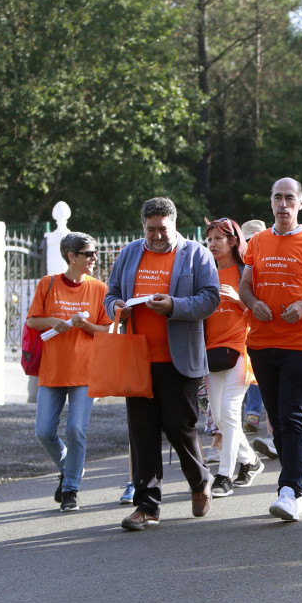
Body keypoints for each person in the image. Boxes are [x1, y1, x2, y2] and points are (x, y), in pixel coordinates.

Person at [105, 198, 221, 531]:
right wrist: (116, 307)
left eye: (162, 229)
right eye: (151, 229)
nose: (156, 235)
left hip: (179, 358)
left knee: (178, 426)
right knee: (141, 433)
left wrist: (173, 305)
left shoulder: (196, 254)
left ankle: (199, 482)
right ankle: (147, 506)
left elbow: (210, 298)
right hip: (137, 358)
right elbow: (111, 292)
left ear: (174, 224)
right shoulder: (130, 253)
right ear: (143, 226)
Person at [239, 177, 302, 522]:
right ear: (271, 203)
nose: (283, 204)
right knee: (278, 419)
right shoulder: (259, 242)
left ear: (300, 203)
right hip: (262, 342)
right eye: (278, 198)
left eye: (289, 198)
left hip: (301, 341)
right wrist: (252, 302)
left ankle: (288, 490)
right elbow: (244, 285)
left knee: (294, 413)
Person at [25, 233, 113, 512]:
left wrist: (83, 325)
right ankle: (70, 467)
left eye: (95, 252)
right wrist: (54, 321)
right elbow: (32, 321)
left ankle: (71, 488)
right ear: (71, 257)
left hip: (85, 372)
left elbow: (107, 329)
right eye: (88, 253)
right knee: (43, 432)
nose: (94, 258)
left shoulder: (99, 288)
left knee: (76, 429)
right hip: (51, 371)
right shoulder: (47, 284)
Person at [202, 218, 265, 498]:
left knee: (228, 412)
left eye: (218, 238)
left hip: (240, 347)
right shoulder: (205, 274)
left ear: (232, 241)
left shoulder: (245, 273)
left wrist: (237, 298)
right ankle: (250, 461)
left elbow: (261, 312)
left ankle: (224, 476)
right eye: (210, 239)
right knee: (219, 416)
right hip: (210, 350)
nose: (213, 244)